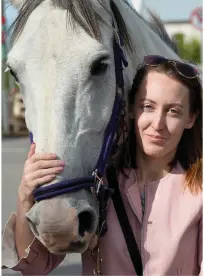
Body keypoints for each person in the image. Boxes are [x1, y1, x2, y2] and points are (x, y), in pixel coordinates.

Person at [2, 55, 202, 276]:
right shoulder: (98, 185)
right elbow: (35, 267)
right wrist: (25, 196)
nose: (157, 124)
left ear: (191, 118)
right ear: (133, 108)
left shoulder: (199, 194)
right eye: (148, 106)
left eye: (173, 111)